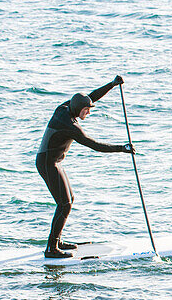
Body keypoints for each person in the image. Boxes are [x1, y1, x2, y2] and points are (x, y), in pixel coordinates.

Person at [36, 75, 132, 258]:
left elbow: (91, 96)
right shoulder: (71, 126)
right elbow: (95, 145)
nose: (88, 113)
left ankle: (57, 241)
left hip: (53, 162)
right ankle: (51, 249)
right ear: (79, 109)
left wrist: (112, 85)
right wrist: (123, 148)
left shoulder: (65, 107)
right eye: (86, 110)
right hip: (48, 164)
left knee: (68, 200)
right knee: (64, 203)